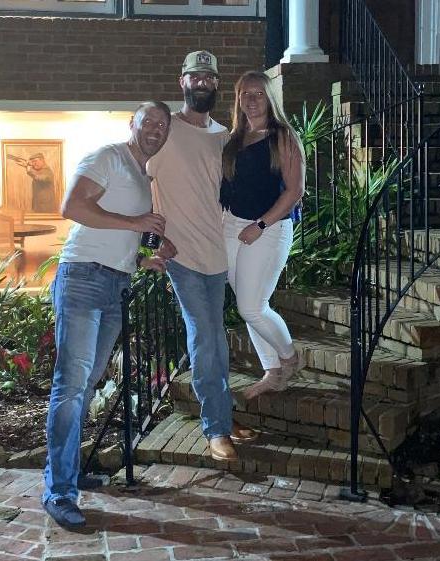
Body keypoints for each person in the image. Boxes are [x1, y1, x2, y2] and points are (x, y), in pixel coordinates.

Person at [42, 101, 174, 530]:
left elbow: (115, 237)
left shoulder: (141, 173)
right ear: (131, 123)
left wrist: (141, 260)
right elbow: (72, 207)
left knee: (85, 383)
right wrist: (136, 222)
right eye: (149, 121)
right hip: (82, 278)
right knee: (71, 384)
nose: (156, 129)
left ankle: (68, 472)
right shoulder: (108, 156)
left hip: (115, 283)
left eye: (163, 125)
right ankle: (59, 491)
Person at [147, 51, 257, 463]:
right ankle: (215, 428)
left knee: (217, 342)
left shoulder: (223, 136)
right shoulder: (165, 130)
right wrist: (151, 239)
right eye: (195, 76)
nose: (202, 83)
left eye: (209, 78)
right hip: (182, 255)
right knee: (205, 338)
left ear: (216, 84)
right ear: (183, 81)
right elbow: (140, 180)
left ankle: (222, 415)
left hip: (217, 253)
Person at [220, 70, 306, 400]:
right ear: (238, 99)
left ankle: (289, 358)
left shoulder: (282, 135)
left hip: (269, 228)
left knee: (251, 307)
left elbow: (295, 191)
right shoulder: (234, 139)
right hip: (231, 224)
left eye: (258, 93)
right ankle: (272, 371)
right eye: (245, 93)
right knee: (249, 301)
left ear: (270, 98)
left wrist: (259, 226)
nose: (252, 99)